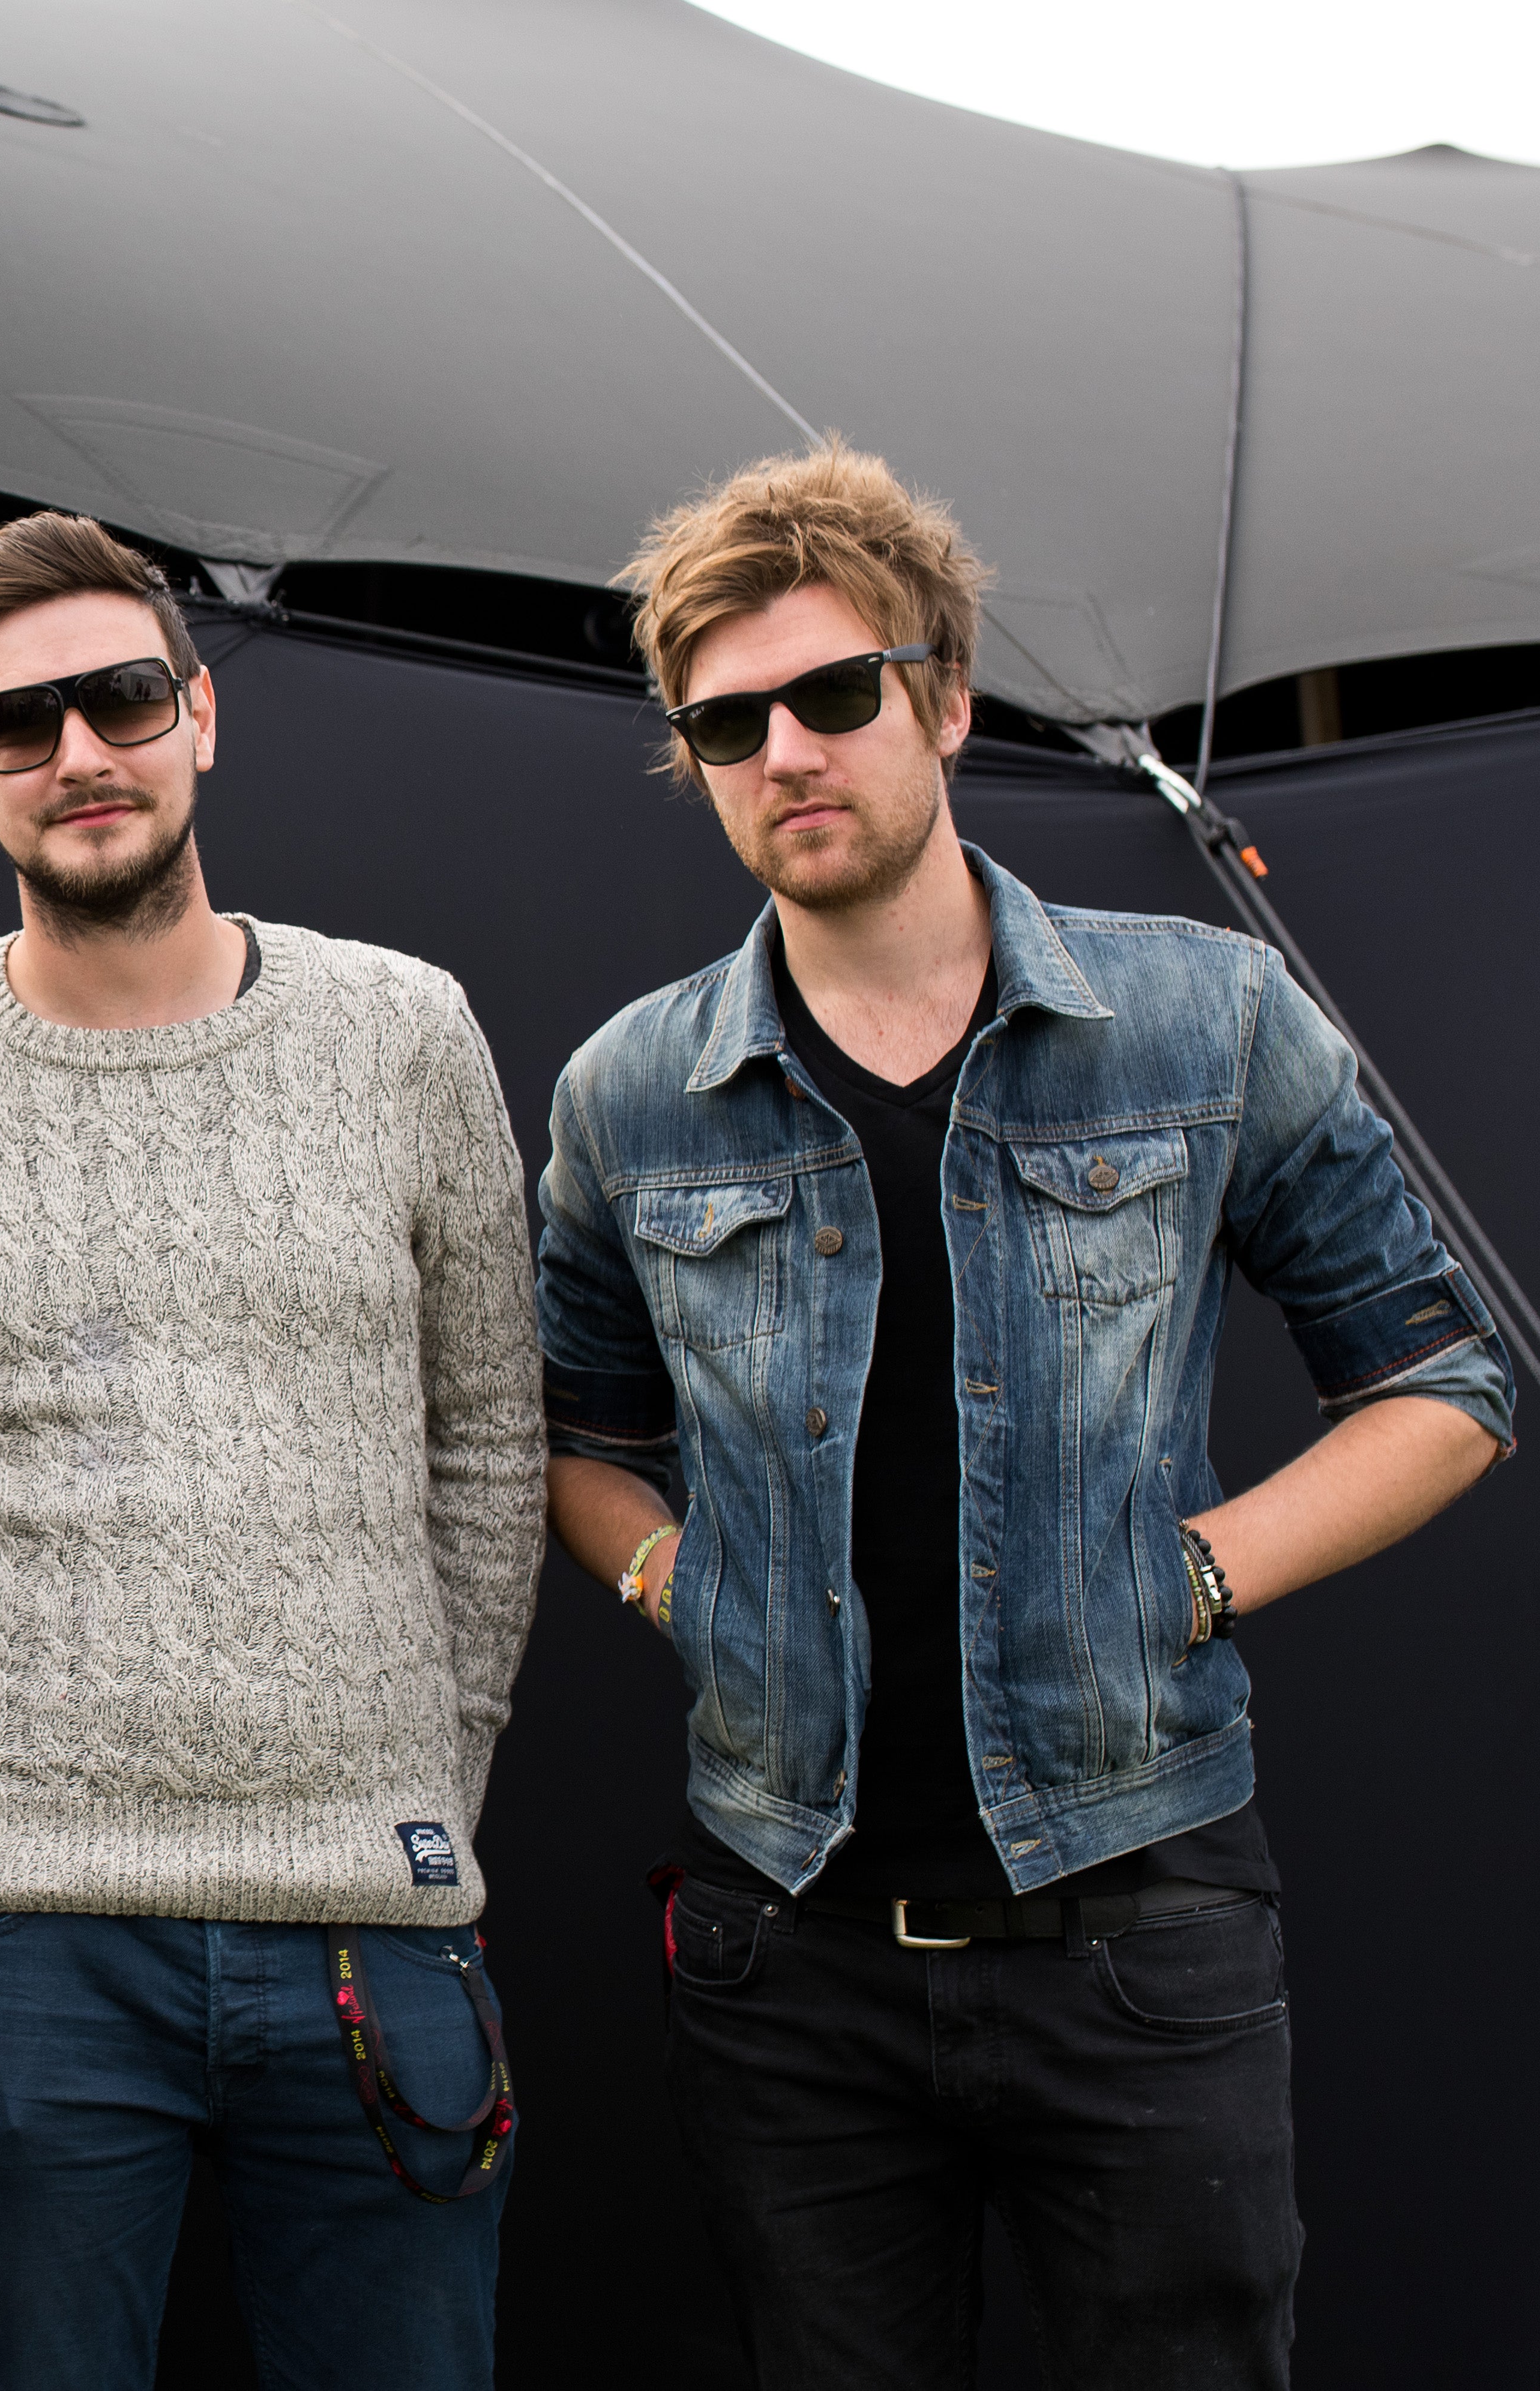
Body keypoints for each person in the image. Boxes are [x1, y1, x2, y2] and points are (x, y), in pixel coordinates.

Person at [537, 443, 1512, 2388]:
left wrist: (1190, 1578)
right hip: (784, 1947)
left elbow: (1441, 1380)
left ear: (947, 701)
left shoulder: (1203, 1021)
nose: (784, 751)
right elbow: (576, 1441)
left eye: (834, 693)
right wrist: (670, 1584)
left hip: (1137, 1925)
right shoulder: (630, 1091)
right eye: (725, 723)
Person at [0, 513, 547, 2391]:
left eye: (119, 697)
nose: (76, 752)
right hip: (22, 1936)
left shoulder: (405, 1034)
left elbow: (490, 1449)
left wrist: (424, 1791)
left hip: (372, 1923)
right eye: (14, 724)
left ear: (199, 714)